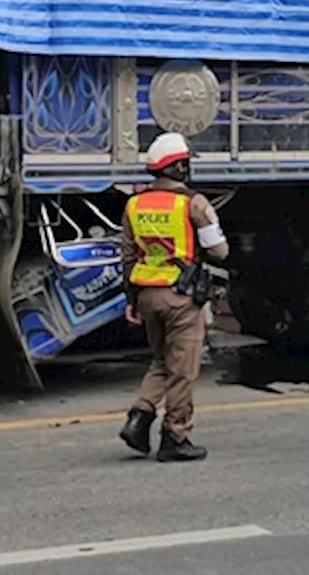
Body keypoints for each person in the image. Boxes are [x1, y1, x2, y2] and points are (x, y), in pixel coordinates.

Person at [118, 131, 229, 462]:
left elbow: (127, 257)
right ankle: (175, 436)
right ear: (179, 167)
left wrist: (132, 300)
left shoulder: (134, 205)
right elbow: (219, 251)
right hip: (181, 298)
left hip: (147, 296)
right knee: (184, 369)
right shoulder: (193, 203)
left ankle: (140, 417)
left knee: (161, 361)